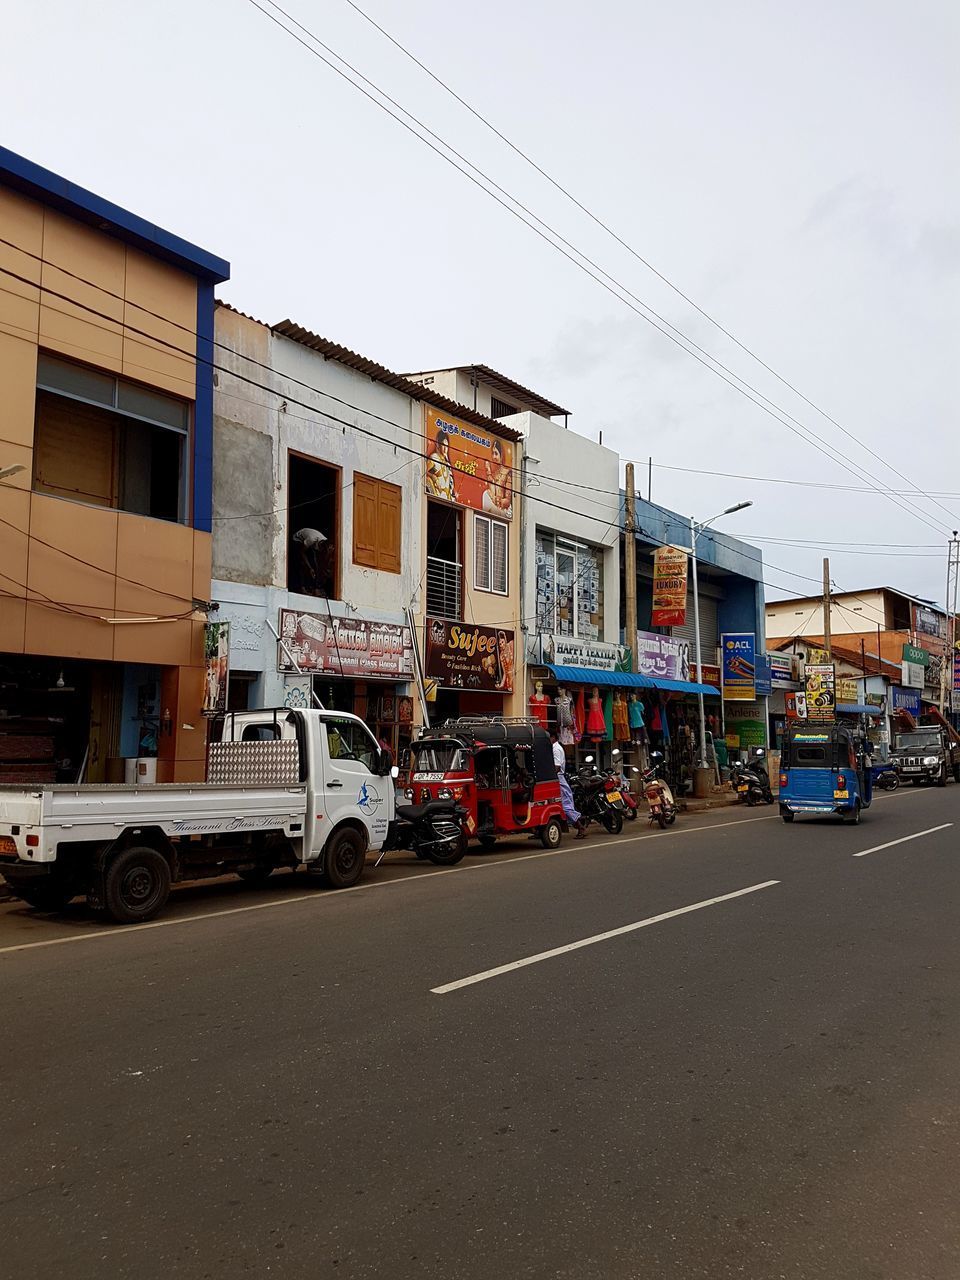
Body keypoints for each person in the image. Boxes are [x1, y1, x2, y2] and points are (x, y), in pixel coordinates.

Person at [551, 730, 586, 838]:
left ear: (553, 737)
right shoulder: (554, 748)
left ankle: (580, 827)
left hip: (559, 779)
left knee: (565, 806)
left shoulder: (556, 749)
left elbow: (557, 767)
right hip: (557, 779)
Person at [292, 527, 332, 597]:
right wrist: (310, 568)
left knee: (314, 565)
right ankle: (302, 588)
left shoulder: (325, 542)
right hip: (298, 539)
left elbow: (318, 561)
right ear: (320, 546)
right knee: (302, 564)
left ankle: (315, 589)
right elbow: (302, 553)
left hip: (310, 545)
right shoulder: (311, 539)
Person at [482, 440, 512, 515]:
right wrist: (488, 470)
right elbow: (491, 490)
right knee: (485, 494)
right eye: (492, 453)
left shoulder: (507, 472)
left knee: (486, 494)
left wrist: (497, 500)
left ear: (501, 456)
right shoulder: (493, 474)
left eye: (496, 453)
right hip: (494, 507)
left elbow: (508, 501)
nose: (494, 457)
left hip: (503, 511)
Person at [425, 430, 457, 502]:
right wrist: (434, 477)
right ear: (439, 445)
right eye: (443, 445)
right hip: (437, 494)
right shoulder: (434, 457)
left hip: (446, 498)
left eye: (447, 446)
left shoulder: (447, 463)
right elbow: (425, 472)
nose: (445, 448)